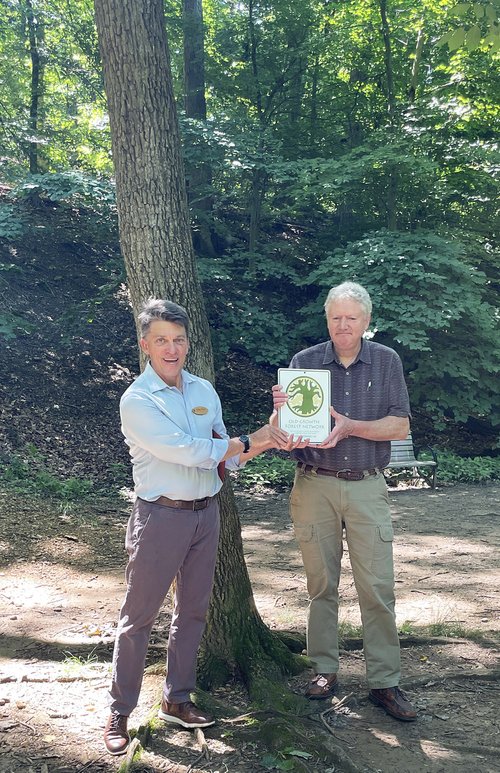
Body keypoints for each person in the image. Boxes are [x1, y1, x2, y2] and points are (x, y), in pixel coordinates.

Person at [104, 298, 293, 756]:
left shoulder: (205, 390)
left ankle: (178, 697)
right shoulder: (137, 400)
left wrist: (272, 433)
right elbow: (190, 450)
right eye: (162, 340)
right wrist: (252, 440)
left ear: (189, 344)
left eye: (179, 340)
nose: (172, 348)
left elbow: (227, 452)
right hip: (159, 517)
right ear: (145, 345)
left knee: (193, 612)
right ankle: (119, 710)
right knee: (138, 618)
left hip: (206, 514)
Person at [272, 281, 417, 722]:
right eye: (336, 317)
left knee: (377, 587)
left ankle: (385, 681)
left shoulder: (387, 361)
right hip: (314, 482)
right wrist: (280, 415)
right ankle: (323, 669)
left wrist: (351, 426)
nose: (343, 326)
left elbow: (399, 427)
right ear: (327, 319)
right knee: (321, 586)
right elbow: (282, 432)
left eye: (351, 318)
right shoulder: (306, 363)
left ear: (366, 321)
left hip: (368, 486)